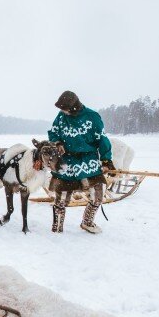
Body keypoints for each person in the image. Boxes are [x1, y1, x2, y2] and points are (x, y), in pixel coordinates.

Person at [47, 91, 116, 234]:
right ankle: (58, 226)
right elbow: (53, 132)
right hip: (67, 159)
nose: (62, 111)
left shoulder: (92, 117)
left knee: (98, 193)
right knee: (61, 197)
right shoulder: (61, 116)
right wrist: (58, 142)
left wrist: (106, 159)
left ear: (74, 107)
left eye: (64, 108)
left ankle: (87, 222)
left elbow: (102, 138)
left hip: (87, 159)